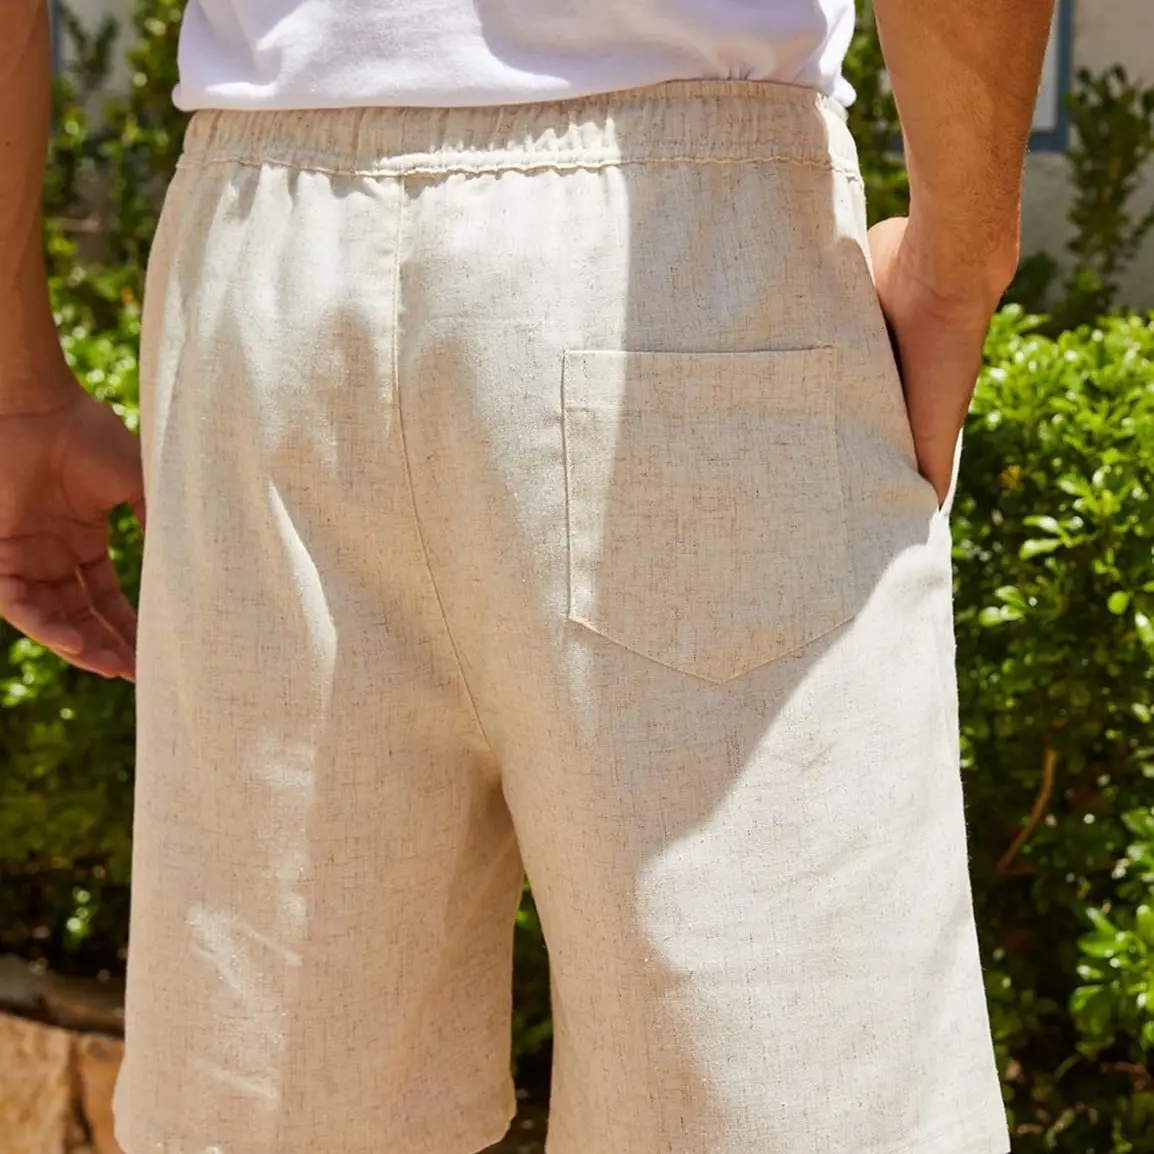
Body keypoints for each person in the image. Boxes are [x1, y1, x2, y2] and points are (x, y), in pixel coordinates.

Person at [1, 2, 1055, 1152]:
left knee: (277, 1118)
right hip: (684, 253)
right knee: (787, 1101)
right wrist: (956, 268)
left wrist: (13, 383)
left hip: (268, 274)